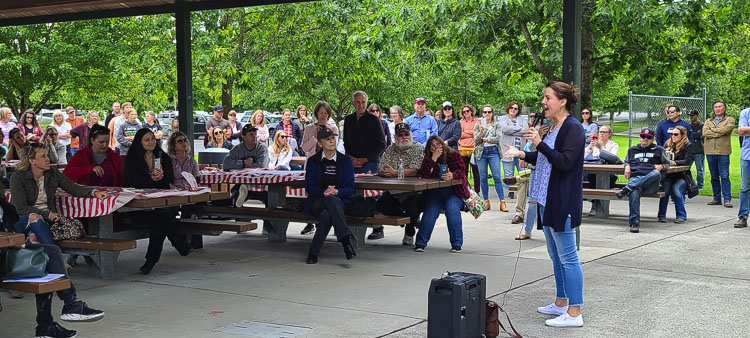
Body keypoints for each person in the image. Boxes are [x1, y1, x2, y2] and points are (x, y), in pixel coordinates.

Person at [502, 81, 585, 328]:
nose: (543, 102)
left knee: (568, 257)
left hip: (563, 201)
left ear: (562, 101)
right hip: (546, 199)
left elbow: (565, 162)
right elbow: (545, 157)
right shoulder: (554, 127)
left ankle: (575, 312)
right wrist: (523, 155)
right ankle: (561, 302)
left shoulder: (574, 128)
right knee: (555, 254)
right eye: (544, 97)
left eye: (548, 98)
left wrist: (540, 143)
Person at [2, 190, 105, 335]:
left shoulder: (5, 207)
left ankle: (67, 306)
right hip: (4, 258)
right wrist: (13, 241)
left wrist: (18, 236)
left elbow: (12, 223)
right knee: (43, 261)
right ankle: (50, 322)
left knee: (51, 253)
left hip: (9, 252)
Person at [10, 143, 108, 245]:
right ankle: (57, 258)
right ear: (32, 161)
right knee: (34, 218)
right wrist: (48, 214)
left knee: (33, 236)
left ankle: (45, 258)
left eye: (47, 155)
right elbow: (20, 208)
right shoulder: (18, 177)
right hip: (22, 219)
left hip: (47, 220)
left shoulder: (53, 173)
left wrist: (94, 192)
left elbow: (73, 188)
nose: (48, 159)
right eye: (43, 156)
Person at [124, 129, 192, 274]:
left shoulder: (163, 157)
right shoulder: (132, 159)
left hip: (160, 204)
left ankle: (151, 261)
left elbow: (169, 181)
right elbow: (131, 181)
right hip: (139, 207)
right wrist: (151, 179)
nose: (151, 142)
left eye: (153, 139)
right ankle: (179, 242)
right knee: (163, 218)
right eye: (147, 140)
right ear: (139, 142)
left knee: (160, 222)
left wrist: (161, 177)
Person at [304, 126, 357, 264]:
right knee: (330, 203)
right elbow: (309, 187)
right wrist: (324, 192)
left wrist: (336, 192)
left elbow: (350, 187)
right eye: (327, 139)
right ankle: (346, 241)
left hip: (339, 202)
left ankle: (313, 253)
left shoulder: (345, 161)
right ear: (320, 143)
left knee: (328, 214)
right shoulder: (313, 161)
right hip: (318, 201)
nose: (332, 141)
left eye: (333, 138)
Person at [372, 123, 425, 244]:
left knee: (414, 207)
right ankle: (408, 220)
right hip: (393, 191)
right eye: (400, 135)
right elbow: (382, 166)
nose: (404, 137)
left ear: (410, 134)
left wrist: (395, 172)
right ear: (396, 137)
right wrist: (383, 171)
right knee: (379, 205)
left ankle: (409, 232)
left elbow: (415, 170)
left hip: (413, 192)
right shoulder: (391, 148)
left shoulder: (418, 148)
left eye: (406, 134)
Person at [415, 135, 468, 253]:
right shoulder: (429, 158)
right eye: (432, 146)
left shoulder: (453, 155)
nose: (435, 147)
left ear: (442, 144)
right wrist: (434, 158)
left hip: (453, 191)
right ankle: (420, 243)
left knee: (452, 209)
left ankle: (456, 243)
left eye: (437, 144)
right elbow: (424, 173)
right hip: (435, 192)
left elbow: (462, 170)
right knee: (430, 211)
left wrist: (453, 175)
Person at [616, 128, 671, 233]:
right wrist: (627, 166)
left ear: (652, 139)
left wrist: (661, 166)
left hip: (651, 183)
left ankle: (626, 189)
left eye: (648, 137)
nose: (645, 139)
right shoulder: (632, 150)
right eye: (643, 137)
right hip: (636, 179)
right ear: (639, 138)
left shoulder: (659, 150)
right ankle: (634, 223)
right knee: (634, 191)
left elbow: (667, 163)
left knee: (656, 173)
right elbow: (626, 161)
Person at [506, 113, 549, 238]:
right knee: (532, 201)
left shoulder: (556, 133)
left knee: (545, 202)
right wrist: (539, 136)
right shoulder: (536, 133)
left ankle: (549, 232)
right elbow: (531, 149)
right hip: (535, 170)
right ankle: (527, 230)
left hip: (548, 171)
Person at [224, 124, 270, 207]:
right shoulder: (237, 148)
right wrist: (244, 162)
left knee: (269, 194)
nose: (255, 136)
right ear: (244, 137)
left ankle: (268, 218)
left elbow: (262, 165)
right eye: (251, 134)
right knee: (235, 193)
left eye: (255, 134)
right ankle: (239, 214)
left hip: (260, 182)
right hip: (242, 181)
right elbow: (226, 164)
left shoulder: (262, 148)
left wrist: (238, 165)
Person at [343, 91, 386, 174]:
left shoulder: (374, 120)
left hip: (370, 164)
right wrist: (349, 157)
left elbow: (381, 144)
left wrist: (365, 159)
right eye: (358, 102)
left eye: (363, 102)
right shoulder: (348, 119)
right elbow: (346, 141)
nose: (361, 105)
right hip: (352, 164)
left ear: (366, 103)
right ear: (353, 103)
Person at [474, 104, 508, 212]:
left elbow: (498, 138)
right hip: (481, 152)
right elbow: (475, 140)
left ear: (492, 113)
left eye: (489, 112)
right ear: (482, 113)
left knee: (497, 177)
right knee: (483, 178)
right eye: (485, 112)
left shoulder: (497, 124)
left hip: (493, 152)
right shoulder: (478, 124)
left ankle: (502, 202)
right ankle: (486, 202)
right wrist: (480, 132)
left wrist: (487, 140)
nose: (487, 114)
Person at [657, 126, 692, 223]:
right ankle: (661, 215)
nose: (673, 136)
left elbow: (687, 161)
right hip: (668, 175)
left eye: (676, 134)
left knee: (676, 189)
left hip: (681, 175)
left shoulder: (687, 145)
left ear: (682, 135)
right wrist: (665, 152)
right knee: (665, 191)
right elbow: (659, 158)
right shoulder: (667, 144)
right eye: (672, 134)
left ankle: (681, 216)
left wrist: (674, 162)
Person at [703, 101, 735, 207]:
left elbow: (726, 130)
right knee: (714, 176)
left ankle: (727, 199)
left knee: (724, 176)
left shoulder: (730, 120)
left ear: (724, 108)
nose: (718, 109)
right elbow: (704, 133)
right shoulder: (708, 121)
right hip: (710, 152)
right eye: (716, 107)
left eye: (720, 107)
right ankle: (716, 198)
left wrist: (713, 131)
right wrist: (718, 132)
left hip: (723, 152)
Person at [583, 125, 619, 215]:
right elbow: (582, 156)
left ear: (609, 134)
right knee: (591, 176)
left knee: (599, 182)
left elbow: (613, 158)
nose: (602, 134)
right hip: (595, 173)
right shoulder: (595, 143)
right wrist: (590, 147)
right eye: (600, 132)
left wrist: (600, 148)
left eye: (604, 132)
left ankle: (595, 205)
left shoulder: (613, 145)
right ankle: (596, 205)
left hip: (610, 173)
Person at [499, 101, 529, 199]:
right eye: (511, 107)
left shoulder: (522, 118)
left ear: (518, 110)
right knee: (508, 173)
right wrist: (518, 128)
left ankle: (525, 190)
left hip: (520, 151)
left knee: (523, 171)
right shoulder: (503, 118)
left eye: (515, 108)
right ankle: (510, 191)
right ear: (508, 108)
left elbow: (526, 130)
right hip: (508, 151)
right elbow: (504, 129)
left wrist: (512, 131)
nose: (513, 110)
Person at [458, 104, 481, 194]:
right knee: (464, 173)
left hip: (474, 150)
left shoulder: (477, 121)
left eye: (468, 111)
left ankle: (477, 192)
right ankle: (465, 191)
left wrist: (466, 132)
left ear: (471, 111)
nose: (466, 113)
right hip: (463, 149)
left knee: (476, 173)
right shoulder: (461, 123)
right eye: (464, 112)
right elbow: (460, 134)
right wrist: (472, 133)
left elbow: (479, 134)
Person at [736, 107, 750, 228]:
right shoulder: (745, 112)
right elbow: (741, 131)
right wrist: (744, 130)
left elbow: (745, 130)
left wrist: (747, 130)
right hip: (747, 155)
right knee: (745, 188)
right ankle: (743, 217)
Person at [688, 110, 705, 190]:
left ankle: (700, 186)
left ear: (697, 116)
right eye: (690, 115)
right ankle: (689, 184)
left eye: (693, 115)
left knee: (700, 170)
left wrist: (691, 134)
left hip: (699, 150)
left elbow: (700, 135)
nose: (691, 117)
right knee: (686, 168)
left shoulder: (702, 125)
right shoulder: (688, 126)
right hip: (689, 150)